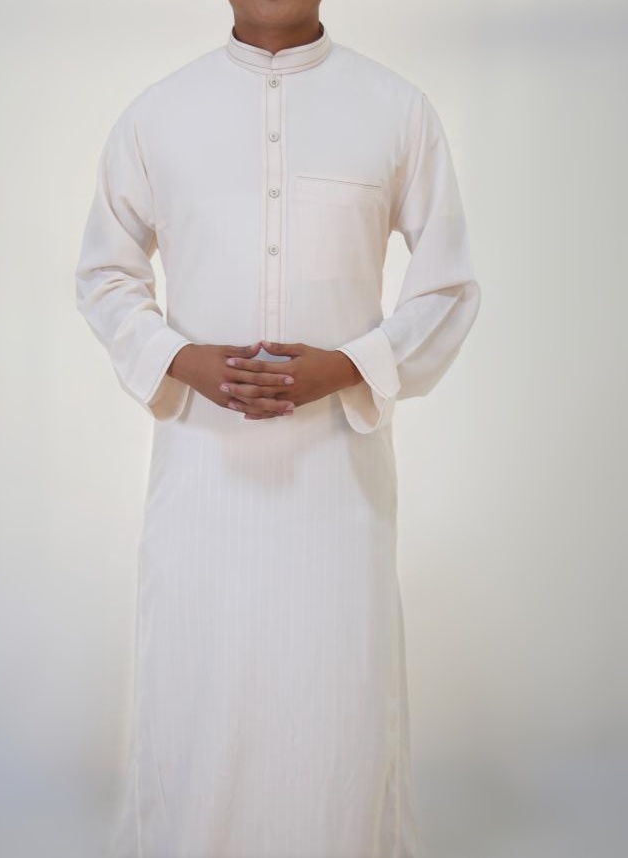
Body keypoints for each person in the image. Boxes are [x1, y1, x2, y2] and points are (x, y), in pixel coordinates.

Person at [75, 1, 481, 855]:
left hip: (339, 481)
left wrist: (348, 366)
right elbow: (106, 275)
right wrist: (181, 359)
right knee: (198, 681)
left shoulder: (396, 109)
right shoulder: (158, 115)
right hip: (201, 477)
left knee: (337, 690)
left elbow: (447, 286)